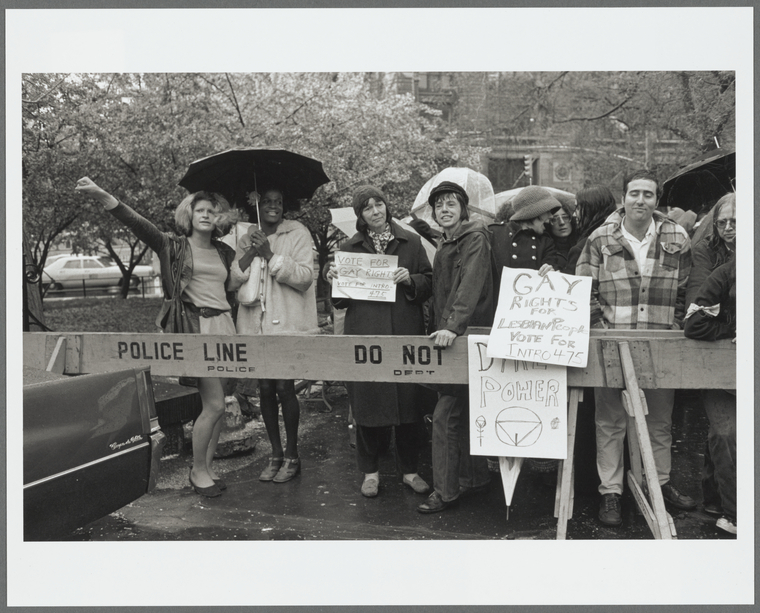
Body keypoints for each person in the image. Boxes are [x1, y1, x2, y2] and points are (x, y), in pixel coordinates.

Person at [75, 177, 237, 498]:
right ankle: (197, 470)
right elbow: (137, 224)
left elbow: (233, 289)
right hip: (195, 332)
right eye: (199, 209)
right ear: (189, 215)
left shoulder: (224, 251)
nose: (205, 215)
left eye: (211, 210)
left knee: (221, 403)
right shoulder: (172, 246)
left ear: (218, 218)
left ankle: (208, 465)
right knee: (215, 405)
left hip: (226, 329)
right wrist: (103, 194)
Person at [576, 169, 696, 527]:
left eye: (647, 194)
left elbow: (685, 289)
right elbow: (585, 291)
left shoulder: (677, 236)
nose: (640, 200)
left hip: (661, 345)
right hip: (612, 344)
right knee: (610, 421)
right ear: (623, 198)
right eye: (634, 194)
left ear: (656, 200)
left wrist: (674, 327)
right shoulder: (600, 238)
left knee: (659, 421)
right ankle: (610, 491)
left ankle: (659, 483)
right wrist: (601, 330)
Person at [326, 186, 433, 498]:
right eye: (367, 208)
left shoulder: (411, 242)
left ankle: (410, 471)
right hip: (366, 334)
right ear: (360, 215)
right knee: (368, 404)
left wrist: (411, 279)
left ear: (387, 207)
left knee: (408, 404)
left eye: (379, 204)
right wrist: (335, 280)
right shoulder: (349, 248)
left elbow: (429, 282)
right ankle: (370, 473)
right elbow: (340, 302)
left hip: (404, 331)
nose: (375, 211)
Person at [230, 187, 318, 484]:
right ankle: (275, 454)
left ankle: (293, 456)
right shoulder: (245, 237)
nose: (273, 207)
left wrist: (271, 255)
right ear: (254, 204)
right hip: (256, 325)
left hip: (287, 323)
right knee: (265, 389)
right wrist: (253, 251)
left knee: (285, 387)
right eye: (266, 202)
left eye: (278, 202)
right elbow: (233, 280)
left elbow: (306, 278)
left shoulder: (297, 233)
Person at [417, 181, 493, 514]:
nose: (444, 210)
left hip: (464, 337)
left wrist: (451, 327)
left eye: (451, 204)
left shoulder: (474, 239)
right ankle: (474, 478)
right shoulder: (448, 243)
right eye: (439, 206)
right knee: (462, 411)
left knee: (444, 416)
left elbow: (470, 286)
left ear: (464, 209)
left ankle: (445, 492)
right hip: (454, 337)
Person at [684, 191, 737, 535]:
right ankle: (731, 508)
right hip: (716, 353)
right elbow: (697, 310)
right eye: (723, 222)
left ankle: (719, 497)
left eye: (737, 221)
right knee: (725, 433)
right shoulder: (707, 253)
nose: (730, 228)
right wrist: (735, 323)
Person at [489, 186, 562, 290]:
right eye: (547, 210)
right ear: (535, 212)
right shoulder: (494, 234)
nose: (551, 216)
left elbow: (552, 267)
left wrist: (551, 271)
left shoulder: (545, 241)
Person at [562, 185, 618, 276]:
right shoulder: (625, 235)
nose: (574, 214)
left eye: (578, 208)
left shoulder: (582, 249)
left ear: (591, 209)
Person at [547, 198, 578, 269]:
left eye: (565, 217)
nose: (561, 222)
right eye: (554, 219)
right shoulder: (546, 250)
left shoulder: (582, 244)